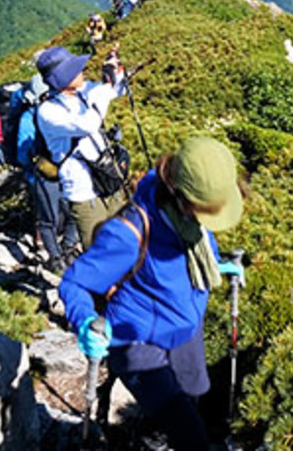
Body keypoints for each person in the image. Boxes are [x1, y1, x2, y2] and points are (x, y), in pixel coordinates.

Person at [59, 136, 247, 451]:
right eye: (205, 210)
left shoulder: (191, 217)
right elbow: (74, 283)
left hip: (184, 326)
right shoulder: (129, 233)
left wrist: (218, 264)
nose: (209, 219)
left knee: (195, 391)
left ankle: (153, 435)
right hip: (137, 339)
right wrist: (85, 321)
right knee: (190, 433)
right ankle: (154, 439)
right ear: (181, 195)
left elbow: (196, 250)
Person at [33, 45, 130, 247]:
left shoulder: (83, 91)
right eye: (74, 69)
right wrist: (104, 91)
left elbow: (116, 90)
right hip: (83, 192)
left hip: (107, 178)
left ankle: (131, 277)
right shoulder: (48, 112)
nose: (82, 71)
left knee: (128, 239)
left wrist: (113, 71)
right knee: (99, 248)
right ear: (62, 79)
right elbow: (88, 124)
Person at [15, 73, 77, 273]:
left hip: (43, 174)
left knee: (47, 218)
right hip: (64, 170)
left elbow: (23, 154)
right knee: (69, 211)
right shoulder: (50, 111)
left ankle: (57, 257)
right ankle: (66, 250)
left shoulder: (29, 117)